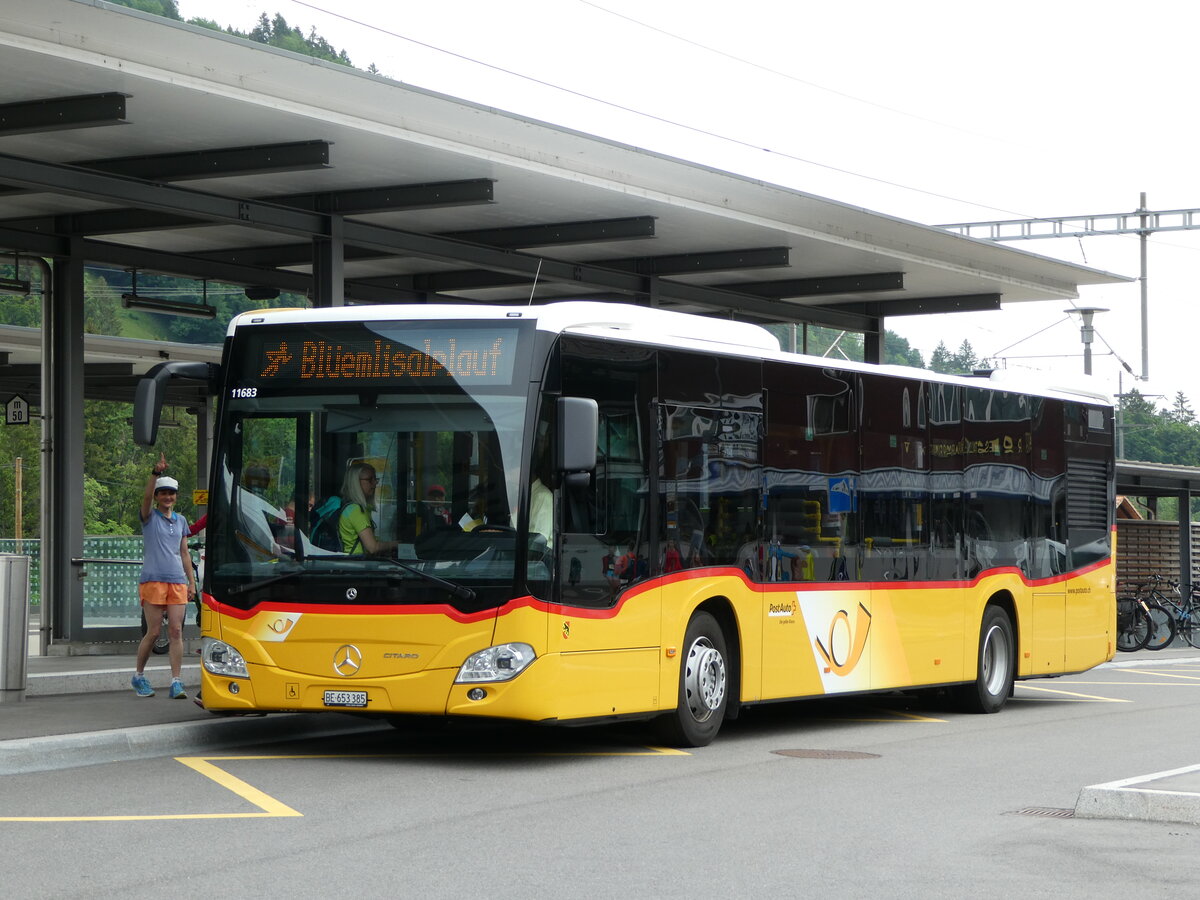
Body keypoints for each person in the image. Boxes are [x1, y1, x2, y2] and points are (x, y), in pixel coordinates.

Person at [131, 452, 196, 700]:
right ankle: (138, 675)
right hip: (153, 580)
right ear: (158, 497)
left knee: (177, 632)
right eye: (163, 493)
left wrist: (191, 582)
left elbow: (184, 553)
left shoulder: (180, 521)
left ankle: (176, 682)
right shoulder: (149, 517)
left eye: (171, 493)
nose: (167, 497)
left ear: (176, 496)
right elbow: (145, 498)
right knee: (154, 632)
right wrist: (154, 473)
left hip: (177, 581)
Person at [338, 462, 397, 556]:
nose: (375, 484)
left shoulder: (351, 508)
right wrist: (397, 544)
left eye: (375, 479)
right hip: (357, 564)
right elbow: (372, 547)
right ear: (356, 482)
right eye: (370, 480)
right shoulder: (356, 510)